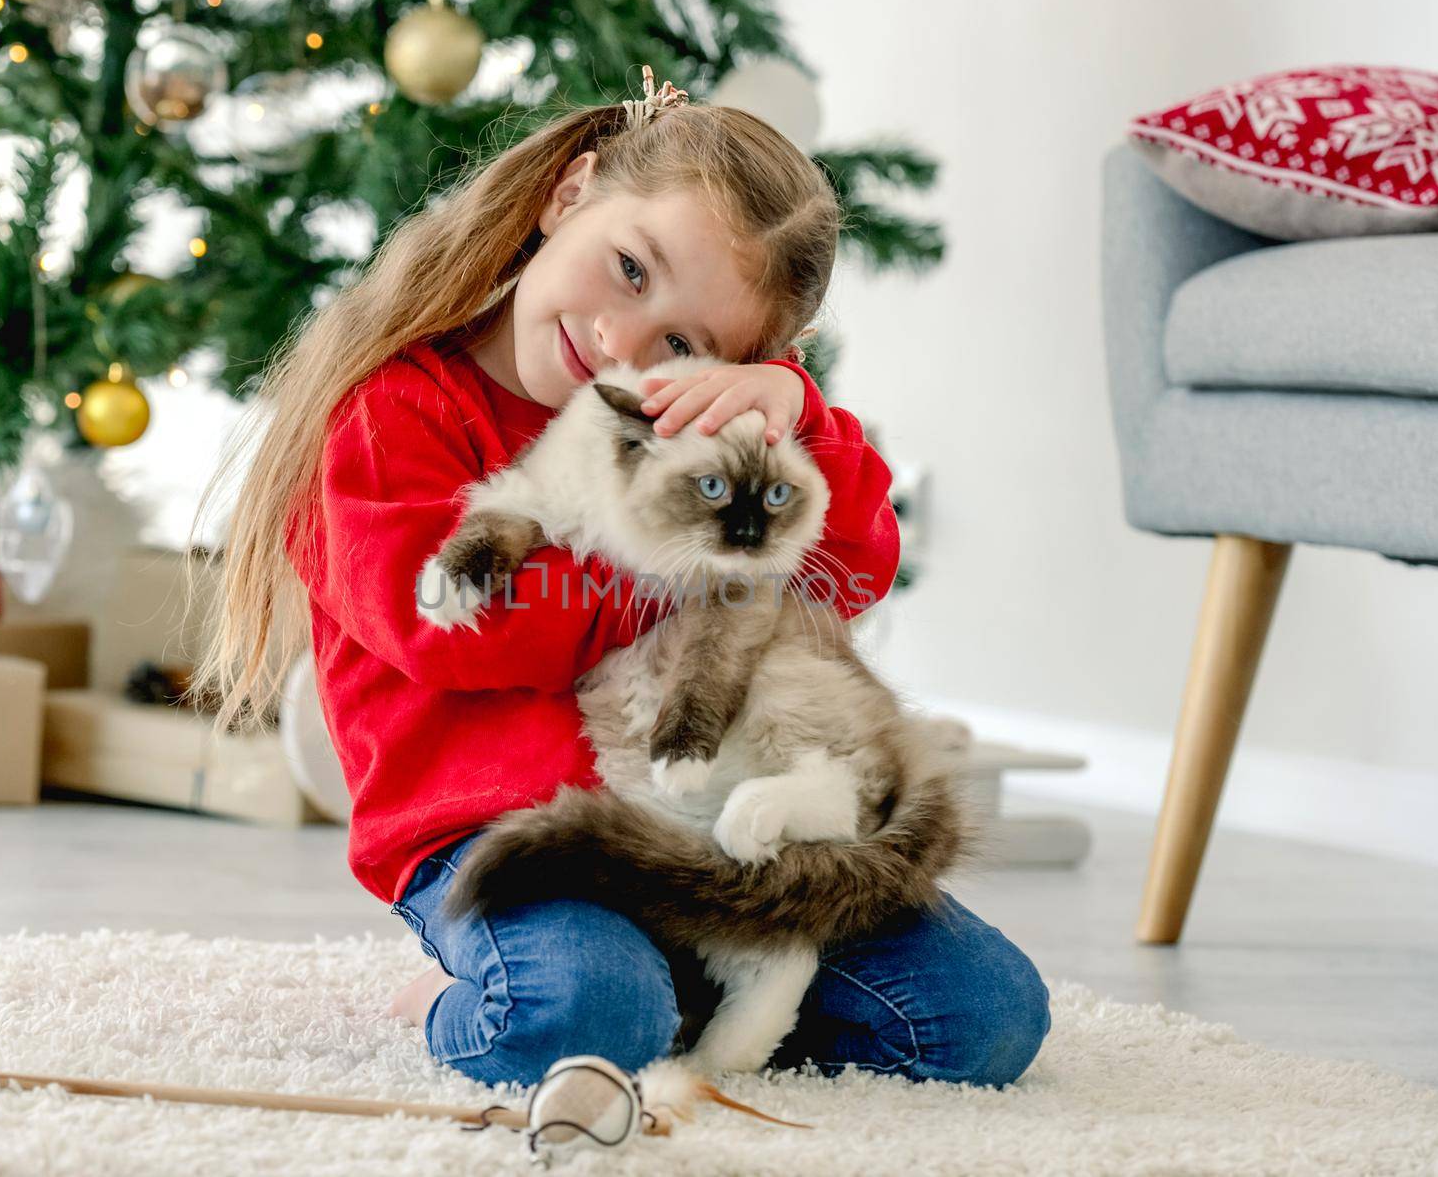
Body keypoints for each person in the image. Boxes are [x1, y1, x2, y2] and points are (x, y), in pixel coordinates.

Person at [193, 68, 1051, 1091]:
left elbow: (854, 565)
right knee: (585, 1012)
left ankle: (683, 987)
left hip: (715, 825)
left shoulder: (692, 424)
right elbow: (455, 624)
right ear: (571, 192)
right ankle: (493, 999)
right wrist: (684, 570)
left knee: (987, 1019)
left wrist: (791, 410)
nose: (618, 342)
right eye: (630, 270)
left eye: (682, 344)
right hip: (504, 829)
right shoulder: (394, 414)